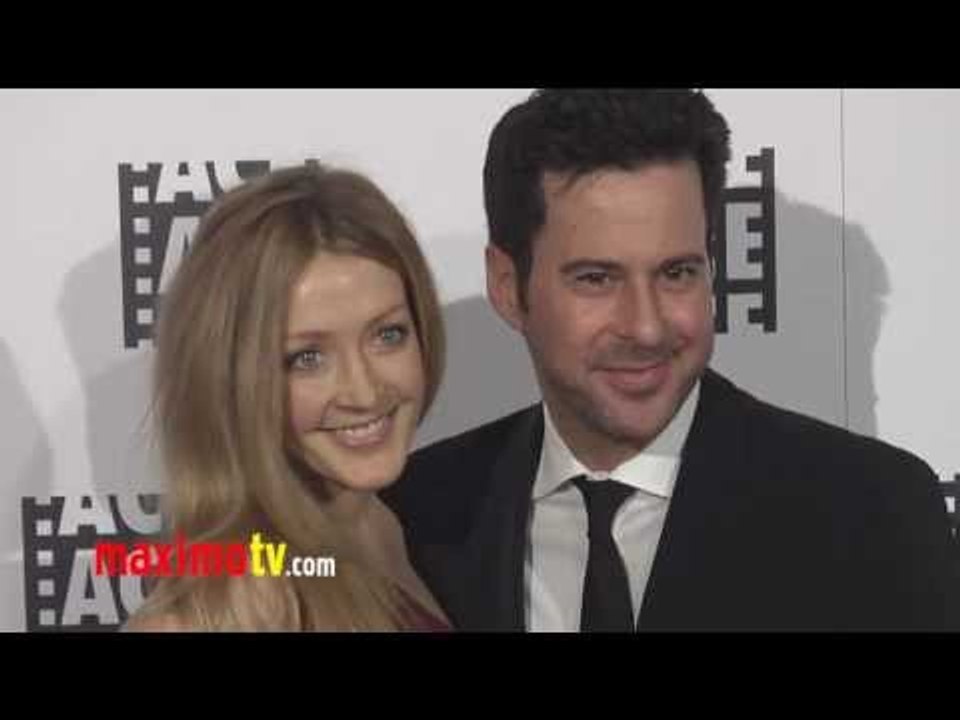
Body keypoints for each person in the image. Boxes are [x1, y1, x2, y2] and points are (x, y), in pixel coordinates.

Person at [382, 88, 960, 631]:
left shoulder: (874, 513)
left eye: (677, 273)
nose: (647, 327)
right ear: (509, 287)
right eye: (597, 278)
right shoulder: (410, 516)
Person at [125, 162, 450, 631]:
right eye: (307, 358)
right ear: (231, 379)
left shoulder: (380, 524)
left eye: (388, 335)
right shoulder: (238, 602)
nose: (364, 391)